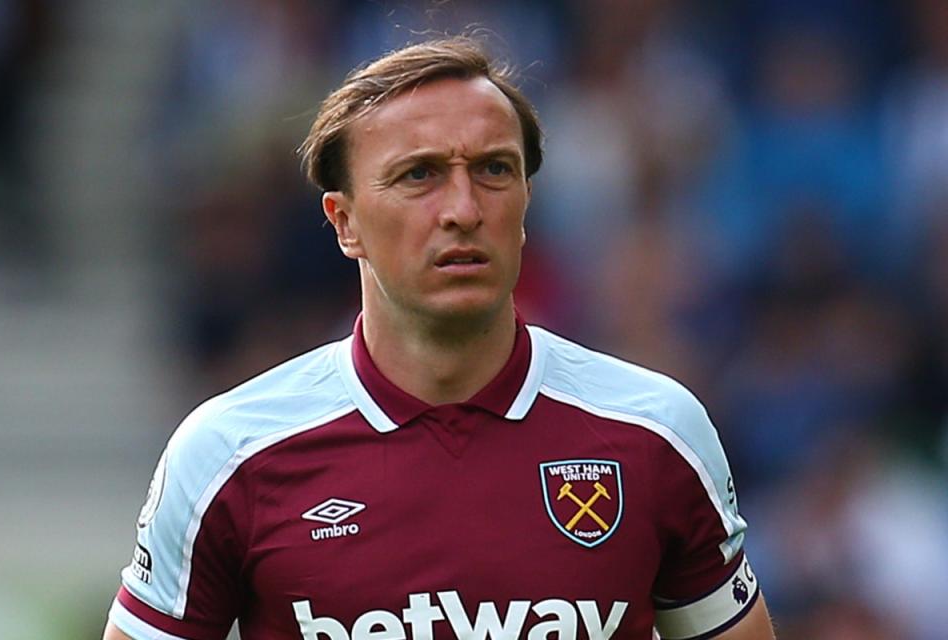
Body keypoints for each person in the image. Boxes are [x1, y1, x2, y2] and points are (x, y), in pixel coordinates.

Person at [103, 36, 775, 640]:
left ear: (525, 206)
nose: (462, 209)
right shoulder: (229, 454)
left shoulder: (654, 432)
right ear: (344, 222)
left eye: (493, 170)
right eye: (418, 175)